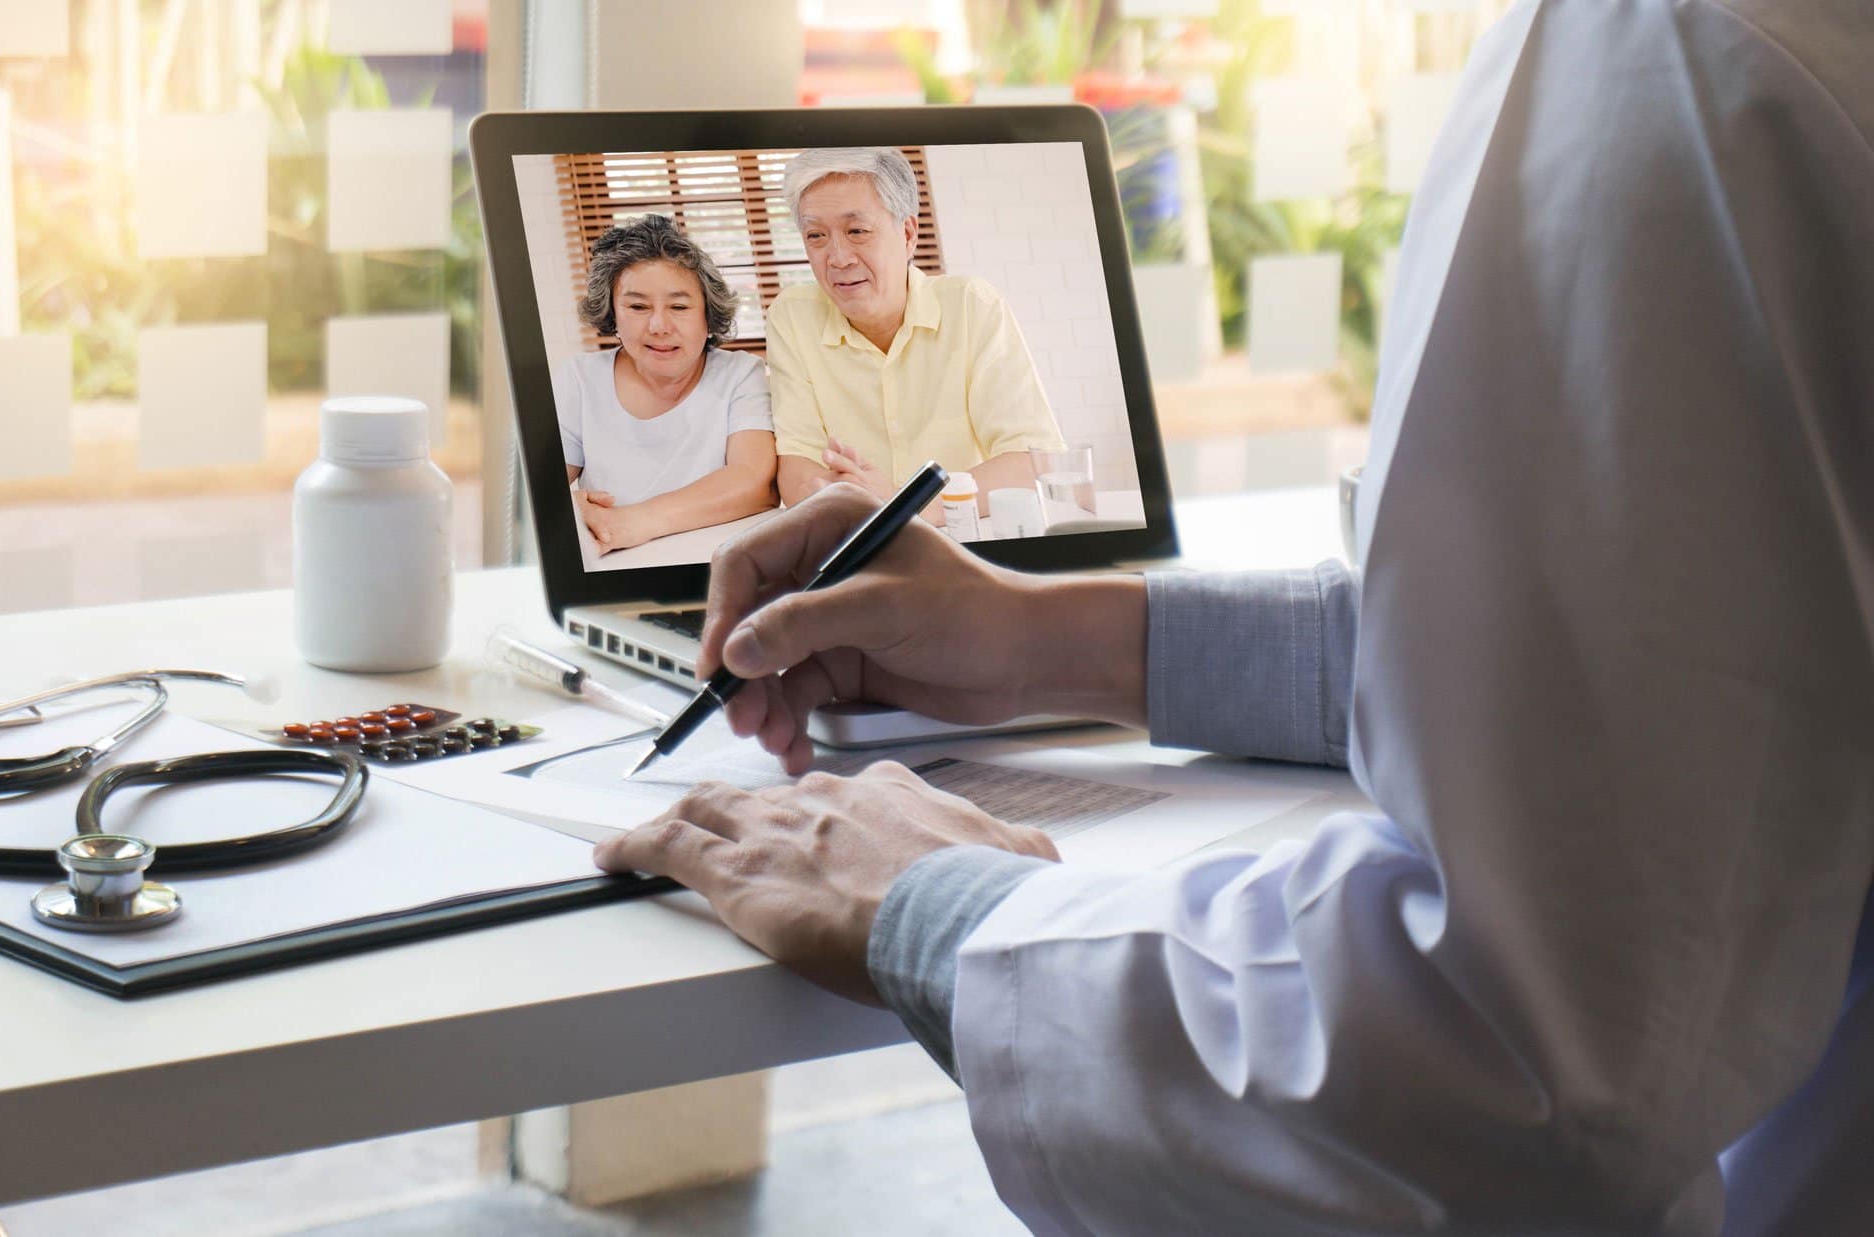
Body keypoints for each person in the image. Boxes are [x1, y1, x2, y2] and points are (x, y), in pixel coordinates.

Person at [595, 2, 1874, 1232]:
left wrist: (928, 908)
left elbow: (1514, 1075)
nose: (834, 253)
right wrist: (1053, 640)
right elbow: (1695, 638)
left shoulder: (1681, 61)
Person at [765, 146, 1064, 520]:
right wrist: (835, 498)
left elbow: (1029, 462)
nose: (838, 258)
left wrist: (901, 509)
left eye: (857, 231)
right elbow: (797, 465)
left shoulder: (972, 306)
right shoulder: (792, 316)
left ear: (907, 233)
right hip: (855, 546)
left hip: (963, 541)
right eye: (816, 236)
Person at [556, 215, 776, 555]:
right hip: (614, 566)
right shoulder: (580, 379)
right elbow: (539, 492)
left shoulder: (741, 374)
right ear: (612, 314)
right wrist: (574, 506)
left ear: (708, 313)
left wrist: (634, 522)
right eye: (638, 306)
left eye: (679, 306)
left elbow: (755, 483)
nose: (659, 325)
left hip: (717, 567)